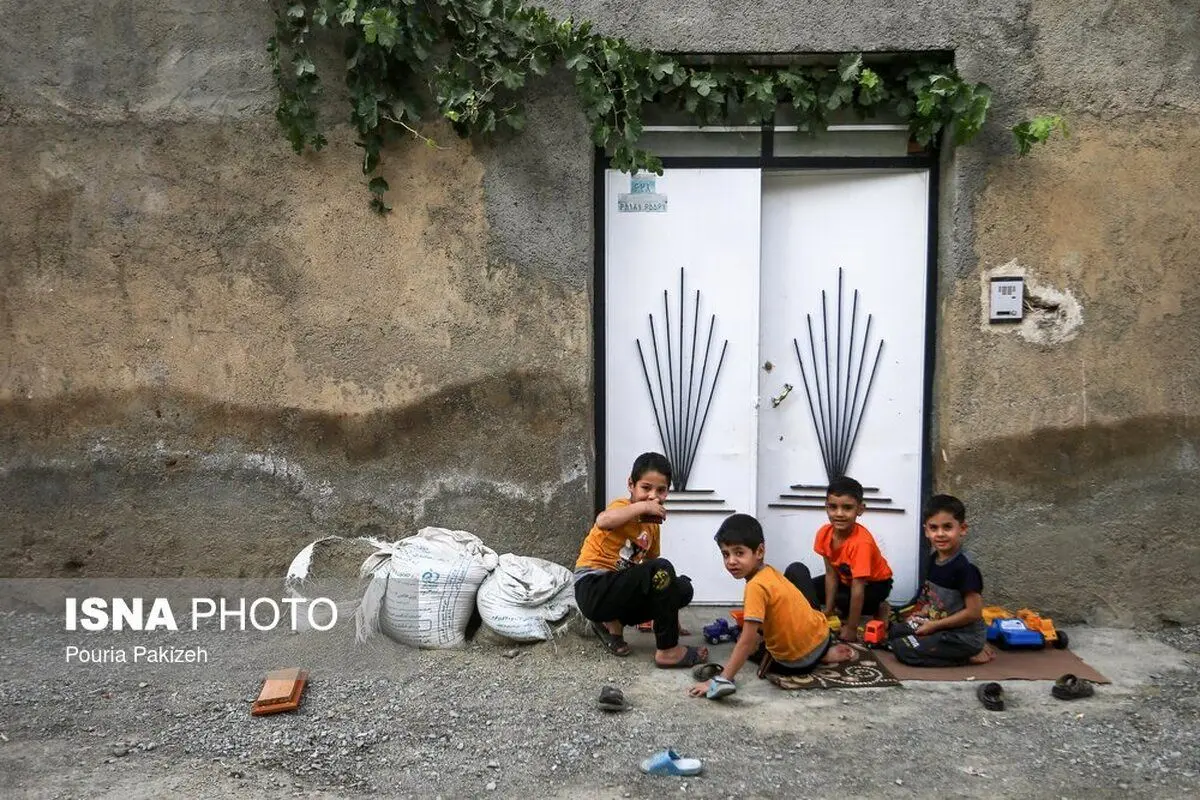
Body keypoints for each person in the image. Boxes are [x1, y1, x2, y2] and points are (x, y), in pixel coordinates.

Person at [688, 513, 853, 698]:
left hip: (796, 663)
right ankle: (821, 653)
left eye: (739, 553)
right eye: (726, 554)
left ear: (759, 552)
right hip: (823, 637)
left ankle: (816, 657)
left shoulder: (755, 587)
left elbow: (747, 642)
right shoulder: (769, 572)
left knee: (745, 644)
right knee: (796, 570)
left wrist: (721, 679)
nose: (731, 561)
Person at [573, 452, 708, 668]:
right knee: (662, 569)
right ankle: (667, 651)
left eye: (661, 490)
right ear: (631, 485)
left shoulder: (652, 527)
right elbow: (603, 520)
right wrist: (642, 507)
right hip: (593, 587)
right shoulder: (622, 507)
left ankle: (612, 624)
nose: (653, 496)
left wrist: (669, 615)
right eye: (646, 488)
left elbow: (655, 572)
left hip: (619, 591)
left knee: (681, 588)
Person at [886, 494, 993, 666]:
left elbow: (974, 613)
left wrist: (934, 626)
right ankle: (934, 640)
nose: (940, 534)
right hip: (937, 625)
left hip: (961, 636)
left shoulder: (965, 567)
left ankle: (969, 655)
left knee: (903, 648)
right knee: (894, 632)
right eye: (934, 528)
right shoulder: (934, 559)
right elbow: (931, 597)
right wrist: (920, 613)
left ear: (962, 529)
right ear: (926, 531)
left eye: (947, 527)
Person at [802, 475, 894, 642]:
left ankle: (881, 607)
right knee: (807, 589)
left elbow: (858, 588)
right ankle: (836, 610)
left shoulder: (861, 543)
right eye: (833, 507)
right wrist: (828, 610)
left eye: (847, 508)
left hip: (875, 584)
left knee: (846, 600)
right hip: (846, 579)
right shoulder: (824, 533)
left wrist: (852, 628)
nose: (839, 514)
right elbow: (830, 574)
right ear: (826, 507)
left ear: (860, 509)